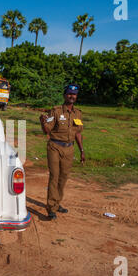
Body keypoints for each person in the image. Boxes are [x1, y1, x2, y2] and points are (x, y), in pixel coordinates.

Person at [39, 84, 85, 220]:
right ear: (65, 95)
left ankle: (57, 202)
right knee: (55, 176)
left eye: (74, 94)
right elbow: (47, 130)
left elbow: (78, 134)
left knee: (63, 177)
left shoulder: (78, 113)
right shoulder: (56, 111)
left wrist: (81, 150)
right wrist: (42, 123)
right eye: (69, 94)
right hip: (55, 147)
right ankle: (51, 207)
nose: (72, 96)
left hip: (69, 148)